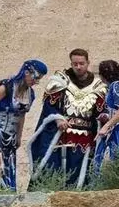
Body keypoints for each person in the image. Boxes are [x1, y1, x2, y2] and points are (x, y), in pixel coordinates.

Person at [0, 59, 47, 189]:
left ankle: (6, 199)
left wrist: (19, 137)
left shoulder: (30, 94)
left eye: (39, 79)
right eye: (35, 77)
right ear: (26, 72)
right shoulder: (6, 87)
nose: (35, 81)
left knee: (8, 173)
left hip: (10, 137)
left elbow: (22, 116)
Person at [42, 49, 108, 188]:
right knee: (57, 172)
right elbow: (49, 105)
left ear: (88, 63)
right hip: (62, 135)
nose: (78, 67)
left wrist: (104, 118)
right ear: (71, 63)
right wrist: (58, 119)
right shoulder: (60, 81)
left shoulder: (98, 86)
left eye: (81, 63)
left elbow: (101, 111)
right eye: (75, 64)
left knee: (83, 174)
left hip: (86, 137)